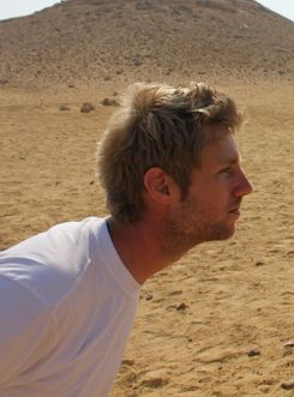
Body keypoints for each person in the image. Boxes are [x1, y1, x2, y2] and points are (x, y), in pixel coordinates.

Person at [0, 82, 253, 396]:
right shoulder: (42, 290)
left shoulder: (112, 272)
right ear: (161, 186)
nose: (246, 187)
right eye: (226, 171)